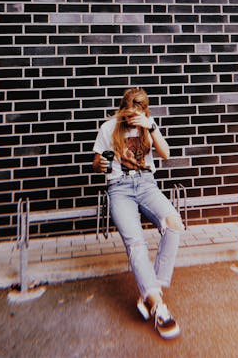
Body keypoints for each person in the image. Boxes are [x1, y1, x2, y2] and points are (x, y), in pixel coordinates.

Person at [92, 87, 184, 340]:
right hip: (119, 188)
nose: (132, 118)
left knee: (174, 224)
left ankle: (151, 289)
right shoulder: (109, 128)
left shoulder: (149, 125)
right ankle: (157, 305)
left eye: (138, 113)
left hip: (146, 185)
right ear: (122, 110)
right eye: (128, 113)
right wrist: (101, 163)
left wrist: (151, 127)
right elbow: (99, 160)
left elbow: (165, 153)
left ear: (144, 111)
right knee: (136, 243)